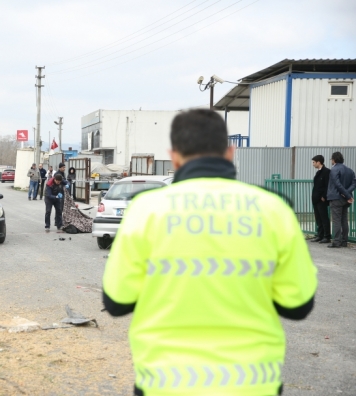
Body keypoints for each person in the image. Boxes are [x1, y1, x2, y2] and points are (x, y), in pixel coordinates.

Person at [102, 109, 317, 396]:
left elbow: (117, 302)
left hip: (165, 384)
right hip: (253, 384)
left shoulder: (145, 210)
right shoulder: (274, 208)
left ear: (174, 156)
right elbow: (298, 305)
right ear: (230, 153)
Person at [326, 151, 356, 248]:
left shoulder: (334, 170)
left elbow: (337, 184)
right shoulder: (350, 170)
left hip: (336, 197)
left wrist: (345, 194)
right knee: (344, 219)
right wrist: (348, 195)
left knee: (336, 220)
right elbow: (354, 183)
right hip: (346, 199)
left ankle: (337, 242)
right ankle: (344, 241)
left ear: (333, 160)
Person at [310, 155, 331, 243]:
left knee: (324, 218)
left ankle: (327, 236)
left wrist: (324, 196)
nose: (313, 164)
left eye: (314, 162)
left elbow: (327, 185)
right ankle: (320, 235)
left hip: (321, 199)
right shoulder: (318, 172)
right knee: (318, 218)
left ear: (319, 162)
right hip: (316, 199)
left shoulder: (326, 172)